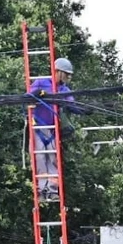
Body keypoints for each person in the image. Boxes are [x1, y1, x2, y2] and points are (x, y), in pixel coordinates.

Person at [27, 57, 85, 201]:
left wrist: (84, 110)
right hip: (38, 126)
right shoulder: (41, 83)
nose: (67, 77)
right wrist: (36, 94)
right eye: (66, 74)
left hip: (53, 130)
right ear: (57, 71)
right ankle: (41, 189)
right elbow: (27, 97)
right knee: (40, 158)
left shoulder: (64, 90)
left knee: (52, 159)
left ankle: (52, 190)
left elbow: (72, 106)